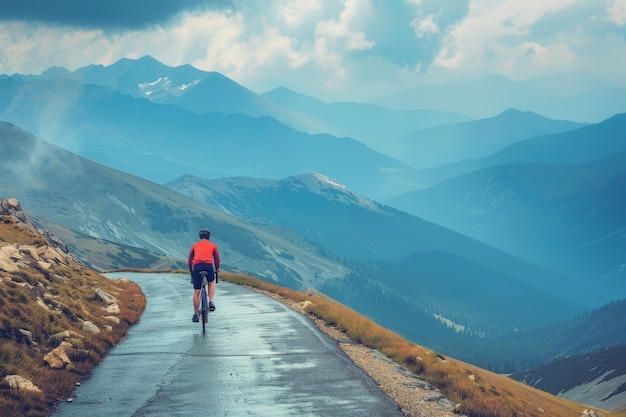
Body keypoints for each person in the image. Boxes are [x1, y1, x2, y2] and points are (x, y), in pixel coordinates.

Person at [188, 228, 220, 323]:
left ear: (200, 236)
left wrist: (191, 270)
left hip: (197, 267)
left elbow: (190, 260)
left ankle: (195, 314)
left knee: (196, 291)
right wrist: (216, 269)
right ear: (209, 237)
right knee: (211, 282)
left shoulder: (194, 246)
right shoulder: (213, 246)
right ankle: (210, 301)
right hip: (208, 266)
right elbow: (217, 260)